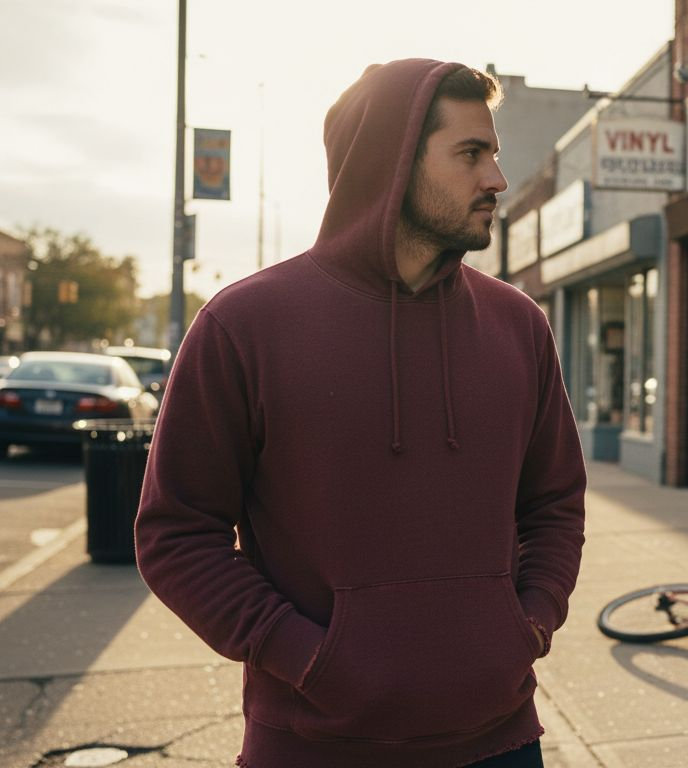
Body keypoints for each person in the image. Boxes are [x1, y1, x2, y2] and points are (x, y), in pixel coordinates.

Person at [136, 59, 587, 768]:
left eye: (494, 154)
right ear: (394, 163)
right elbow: (177, 533)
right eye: (471, 154)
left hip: (500, 744)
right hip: (313, 748)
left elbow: (556, 502)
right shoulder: (245, 326)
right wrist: (309, 659)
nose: (496, 179)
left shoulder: (518, 326)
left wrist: (527, 624)